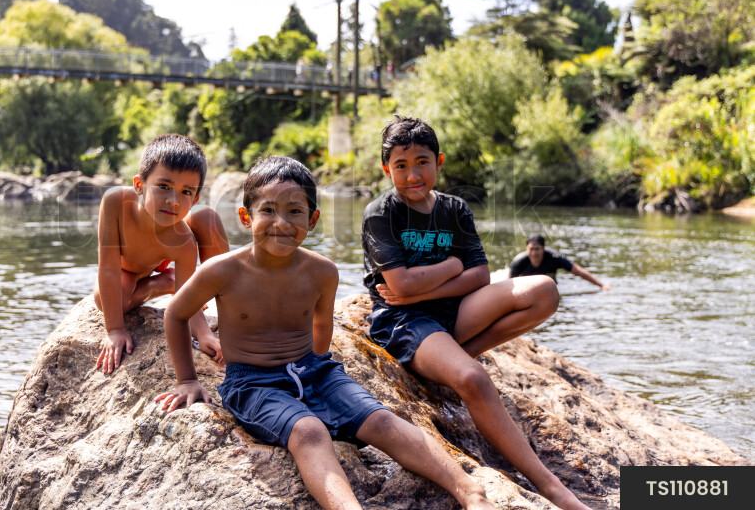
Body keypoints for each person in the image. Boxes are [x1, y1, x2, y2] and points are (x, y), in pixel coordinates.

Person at [157, 156, 496, 510]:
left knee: (380, 418)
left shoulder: (322, 271)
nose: (281, 223)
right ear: (246, 217)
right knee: (309, 431)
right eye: (268, 210)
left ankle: (471, 492)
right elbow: (175, 314)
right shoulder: (221, 270)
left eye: (294, 212)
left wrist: (323, 380)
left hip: (315, 370)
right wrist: (187, 380)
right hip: (253, 383)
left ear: (313, 219)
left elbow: (321, 325)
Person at [362, 117, 593, 510]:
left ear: (440, 162)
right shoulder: (381, 213)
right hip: (406, 322)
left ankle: (457, 351)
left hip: (455, 313)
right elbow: (399, 288)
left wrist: (437, 280)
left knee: (544, 290)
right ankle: (552, 487)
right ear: (387, 169)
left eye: (422, 162)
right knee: (472, 378)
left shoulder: (455, 208)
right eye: (401, 166)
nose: (413, 174)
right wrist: (452, 267)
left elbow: (480, 275)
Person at [93, 133, 228, 374]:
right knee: (107, 301)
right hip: (128, 267)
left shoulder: (184, 241)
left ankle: (227, 305)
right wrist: (115, 330)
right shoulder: (115, 203)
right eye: (163, 187)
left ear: (195, 198)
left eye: (186, 192)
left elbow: (188, 301)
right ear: (139, 185)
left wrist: (205, 334)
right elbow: (108, 268)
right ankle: (164, 283)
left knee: (208, 219)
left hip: (167, 246)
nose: (174, 201)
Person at [509, 234, 610, 290]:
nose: (534, 253)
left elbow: (578, 271)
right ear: (527, 249)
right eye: (531, 249)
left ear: (543, 249)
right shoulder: (519, 262)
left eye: (537, 249)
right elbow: (509, 285)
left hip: (549, 289)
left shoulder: (554, 257)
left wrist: (601, 285)